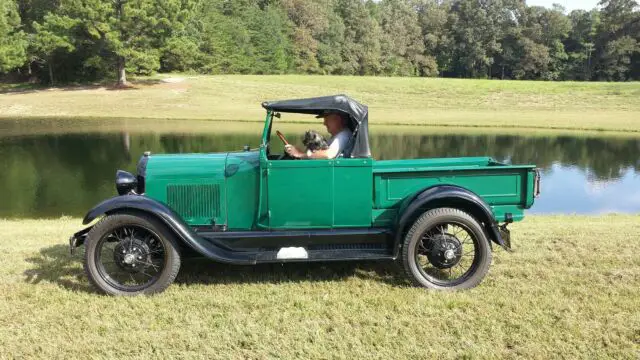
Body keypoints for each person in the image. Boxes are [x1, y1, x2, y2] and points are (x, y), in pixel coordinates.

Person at [284, 111, 353, 159]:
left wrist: (300, 154)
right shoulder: (338, 135)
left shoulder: (343, 135)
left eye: (327, 119)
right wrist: (300, 152)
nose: (324, 123)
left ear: (338, 119)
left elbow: (329, 154)